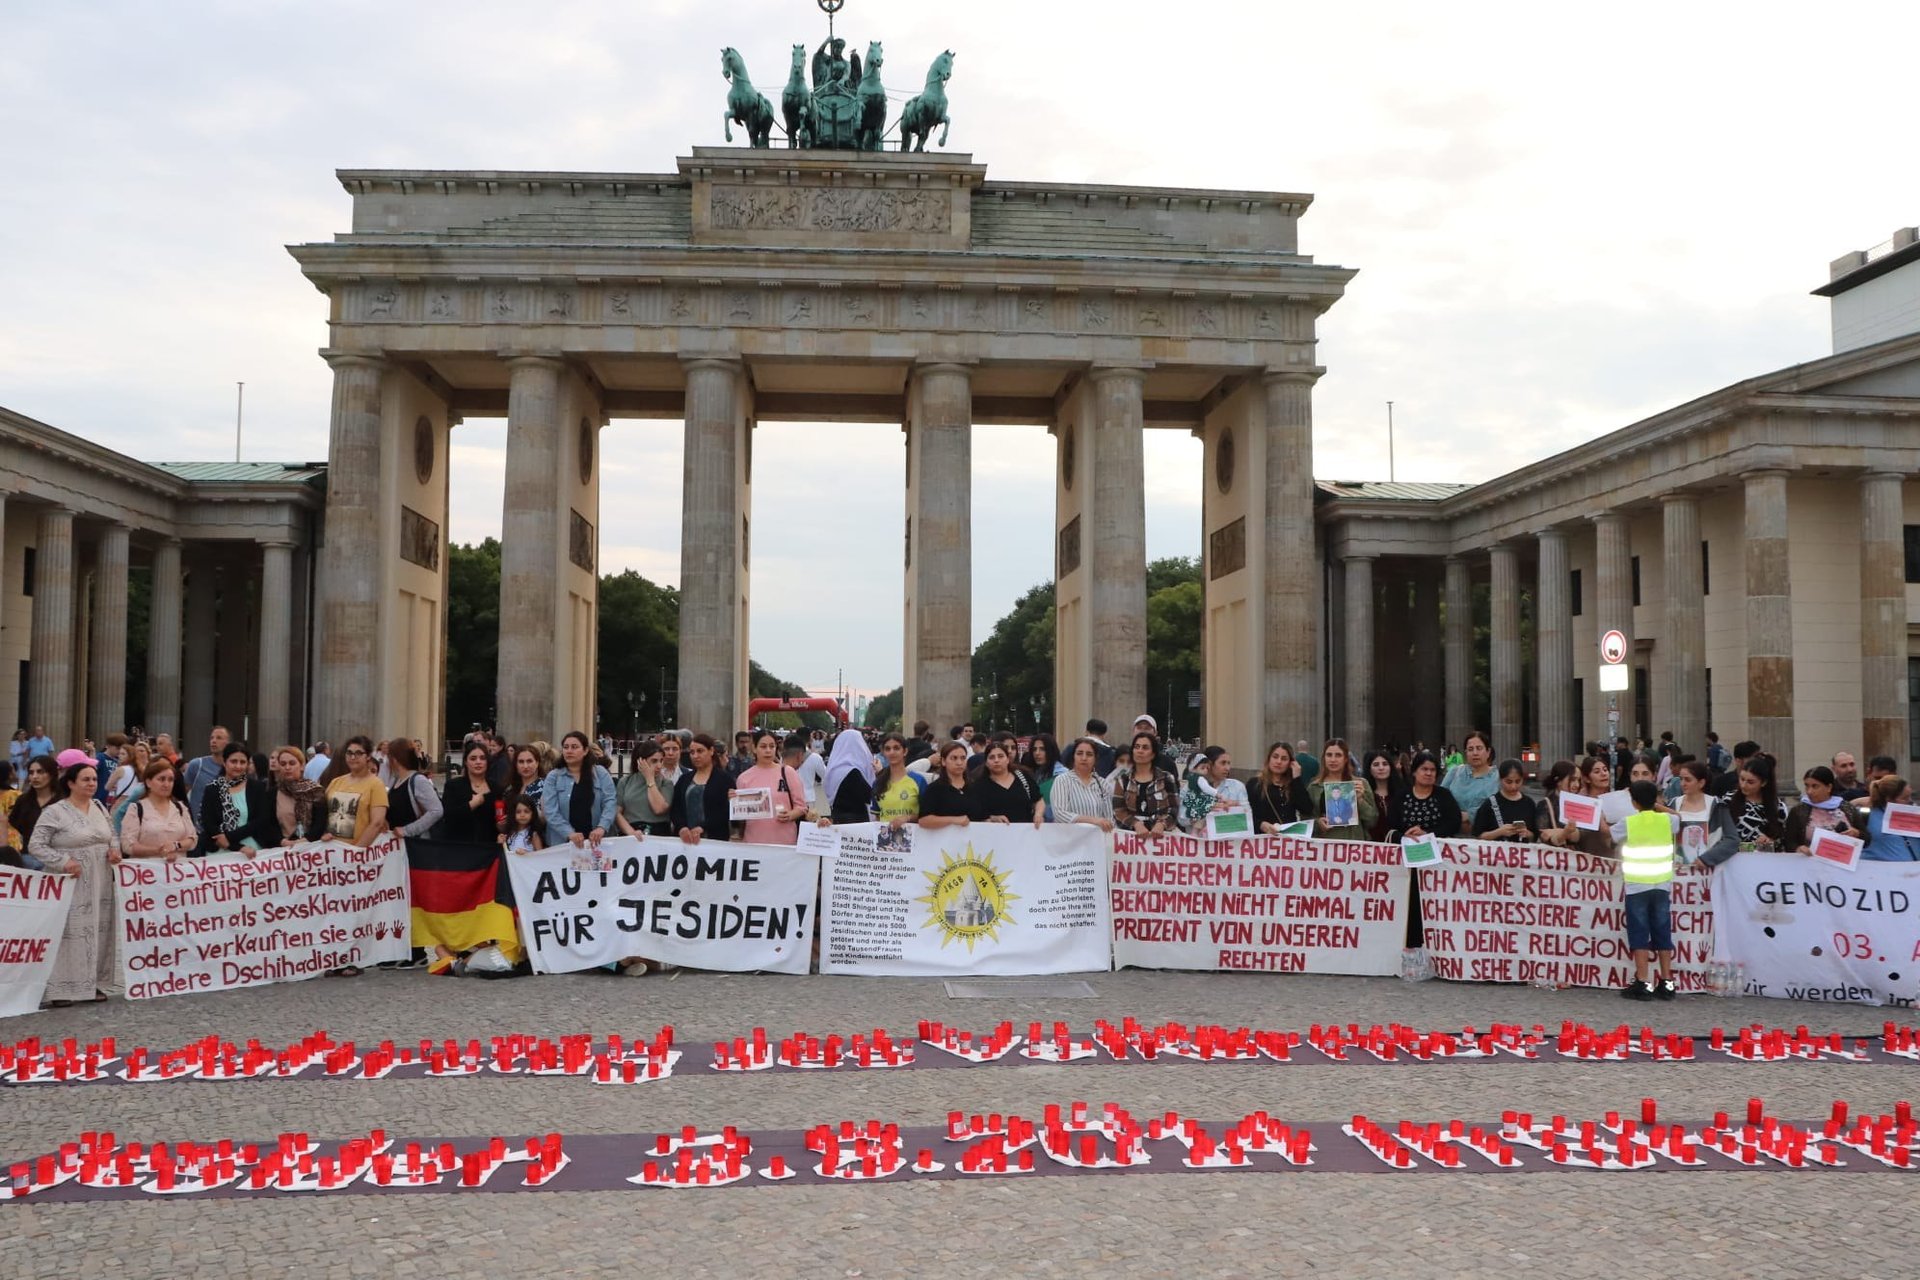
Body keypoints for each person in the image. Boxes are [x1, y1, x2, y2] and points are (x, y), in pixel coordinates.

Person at [28, 761, 120, 1004]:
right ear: (70, 783)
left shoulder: (99, 806)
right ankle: (60, 987)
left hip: (99, 879)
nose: (91, 784)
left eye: (94, 779)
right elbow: (36, 845)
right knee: (69, 932)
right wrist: (62, 861)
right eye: (85, 779)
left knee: (97, 931)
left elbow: (113, 835)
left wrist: (114, 850)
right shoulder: (55, 811)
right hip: (70, 880)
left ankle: (91, 984)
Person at [1610, 779, 1681, 1001]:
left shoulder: (1628, 822)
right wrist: (1658, 806)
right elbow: (1679, 819)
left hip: (1637, 886)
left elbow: (1610, 834)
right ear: (1656, 799)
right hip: (1661, 884)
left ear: (1633, 802)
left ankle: (1643, 981)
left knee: (1639, 932)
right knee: (1662, 931)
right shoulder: (1667, 820)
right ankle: (1667, 981)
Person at [196, 741, 280, 855]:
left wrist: (230, 838)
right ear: (224, 762)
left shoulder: (257, 787)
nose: (238, 766)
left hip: (252, 849)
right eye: (233, 761)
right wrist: (236, 847)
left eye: (242, 762)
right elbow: (209, 824)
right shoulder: (212, 789)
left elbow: (261, 820)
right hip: (219, 850)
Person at [732, 729, 811, 845]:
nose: (768, 751)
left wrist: (790, 815)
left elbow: (801, 806)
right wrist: (734, 802)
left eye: (771, 746)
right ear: (754, 748)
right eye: (763, 747)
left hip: (785, 842)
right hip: (754, 841)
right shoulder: (743, 778)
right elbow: (740, 816)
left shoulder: (788, 772)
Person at [543, 730, 617, 850]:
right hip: (563, 843)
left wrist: (601, 827)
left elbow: (610, 802)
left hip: (597, 843)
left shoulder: (600, 773)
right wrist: (569, 833)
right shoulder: (554, 776)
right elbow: (550, 810)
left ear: (586, 750)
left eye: (574, 747)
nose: (569, 751)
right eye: (566, 747)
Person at [120, 758, 197, 861]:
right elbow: (128, 845)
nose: (166, 784)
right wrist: (158, 850)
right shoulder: (136, 809)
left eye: (170, 780)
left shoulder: (180, 808)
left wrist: (176, 845)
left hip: (177, 871)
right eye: (161, 779)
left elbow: (192, 838)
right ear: (148, 782)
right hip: (147, 872)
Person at [324, 736, 389, 851]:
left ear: (368, 756)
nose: (353, 757)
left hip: (357, 855)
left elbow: (377, 823)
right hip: (331, 852)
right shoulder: (336, 782)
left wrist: (355, 851)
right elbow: (323, 813)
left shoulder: (376, 785)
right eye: (349, 753)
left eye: (358, 753)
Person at [1782, 765, 1865, 854]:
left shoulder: (1847, 808)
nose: (1809, 791)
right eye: (1807, 786)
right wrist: (1798, 848)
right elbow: (1789, 842)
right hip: (1809, 863)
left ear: (1829, 787)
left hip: (1841, 861)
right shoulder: (1798, 811)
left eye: (1815, 786)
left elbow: (1867, 838)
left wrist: (1857, 833)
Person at [1671, 759, 1740, 867]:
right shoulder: (1672, 804)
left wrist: (1707, 859)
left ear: (1701, 783)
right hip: (1678, 873)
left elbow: (1732, 839)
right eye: (1681, 779)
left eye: (1688, 780)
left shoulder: (1717, 805)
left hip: (1710, 871)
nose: (1682, 784)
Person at [671, 733, 735, 843]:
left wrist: (703, 827)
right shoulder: (684, 779)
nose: (695, 756)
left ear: (711, 751)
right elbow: (675, 807)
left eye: (700, 751)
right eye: (692, 752)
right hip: (685, 841)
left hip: (714, 840)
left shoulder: (724, 780)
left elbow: (725, 811)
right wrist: (682, 827)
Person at [1112, 732, 1179, 836]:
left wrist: (1162, 824)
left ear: (1153, 753)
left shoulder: (1167, 778)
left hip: (1162, 838)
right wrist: (1135, 823)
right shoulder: (1122, 780)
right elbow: (1118, 810)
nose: (1140, 751)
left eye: (1145, 748)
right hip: (1130, 838)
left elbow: (1174, 808)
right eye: (1137, 747)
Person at [1308, 739, 1376, 839]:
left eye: (1338, 755)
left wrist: (1360, 801)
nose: (1333, 760)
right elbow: (1305, 819)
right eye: (1329, 755)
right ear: (1324, 758)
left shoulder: (1360, 784)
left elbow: (1372, 821)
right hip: (1325, 845)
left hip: (1353, 846)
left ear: (1345, 759)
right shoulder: (1314, 787)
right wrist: (1318, 823)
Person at [380, 739, 444, 844]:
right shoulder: (396, 780)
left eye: (389, 756)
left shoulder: (418, 780)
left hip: (415, 845)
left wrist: (407, 830)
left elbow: (436, 811)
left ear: (395, 759)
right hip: (398, 846)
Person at [1391, 750, 1464, 843]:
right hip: (1406, 848)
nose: (1429, 773)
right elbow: (1391, 827)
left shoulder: (1444, 795)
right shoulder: (1401, 796)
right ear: (1414, 772)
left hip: (1439, 849)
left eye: (1432, 770)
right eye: (1424, 769)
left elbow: (1454, 824)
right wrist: (1404, 837)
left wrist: (1427, 834)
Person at [441, 741, 502, 843]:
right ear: (466, 762)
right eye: (473, 758)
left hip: (488, 848)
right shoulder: (453, 786)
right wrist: (471, 805)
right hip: (460, 847)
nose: (478, 762)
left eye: (482, 758)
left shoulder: (496, 787)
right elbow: (448, 817)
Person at [1248, 742, 1315, 834]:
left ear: (1290, 763)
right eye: (1275, 757)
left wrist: (1296, 778)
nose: (1279, 762)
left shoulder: (1293, 784)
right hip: (1263, 839)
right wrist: (1260, 824)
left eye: (1284, 759)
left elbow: (1307, 809)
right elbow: (1246, 814)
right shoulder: (1255, 783)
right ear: (1269, 759)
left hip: (1287, 841)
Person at [1050, 738, 1116, 831]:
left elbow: (1109, 818)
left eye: (1089, 754)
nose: (1084, 758)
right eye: (1079, 753)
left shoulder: (1103, 784)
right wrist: (1092, 820)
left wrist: (1106, 824)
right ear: (1073, 756)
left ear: (1095, 759)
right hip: (1069, 840)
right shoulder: (1062, 780)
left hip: (1096, 840)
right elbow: (1060, 813)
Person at [971, 742, 1043, 827]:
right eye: (992, 757)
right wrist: (992, 819)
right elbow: (976, 816)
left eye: (1001, 756)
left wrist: (1038, 814)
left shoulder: (1023, 777)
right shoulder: (979, 786)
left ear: (1008, 759)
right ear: (986, 763)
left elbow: (1038, 800)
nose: (996, 760)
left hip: (1025, 834)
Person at [4, 755, 60, 865]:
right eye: (31, 772)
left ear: (51, 774)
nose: (35, 776)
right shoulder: (23, 800)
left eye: (40, 772)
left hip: (57, 858)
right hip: (28, 858)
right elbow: (15, 824)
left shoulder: (63, 800)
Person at [1440, 731, 1498, 835]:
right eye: (1470, 749)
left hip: (1487, 838)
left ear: (1488, 751)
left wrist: (1470, 815)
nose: (1475, 753)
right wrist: (1456, 815)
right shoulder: (1454, 772)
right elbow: (1440, 799)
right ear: (1465, 752)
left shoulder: (1498, 777)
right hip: (1453, 836)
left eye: (1479, 748)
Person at [614, 738, 674, 838]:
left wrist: (650, 780)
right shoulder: (625, 782)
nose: (659, 766)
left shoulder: (666, 783)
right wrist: (631, 832)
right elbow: (617, 813)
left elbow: (658, 809)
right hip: (631, 832)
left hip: (658, 833)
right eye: (654, 761)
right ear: (641, 761)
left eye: (661, 761)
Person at [1470, 759, 1541, 841]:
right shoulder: (1489, 804)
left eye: (1518, 781)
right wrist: (1499, 832)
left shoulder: (1529, 804)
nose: (1513, 787)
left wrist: (1527, 834)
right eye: (1509, 782)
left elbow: (1535, 836)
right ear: (1500, 779)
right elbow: (1478, 835)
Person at [1725, 755, 1786, 851]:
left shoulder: (1778, 807)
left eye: (1750, 782)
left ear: (1764, 782)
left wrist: (1767, 842)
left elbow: (1782, 843)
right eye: (1742, 779)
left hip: (1764, 862)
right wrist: (1750, 847)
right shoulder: (1728, 800)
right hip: (1732, 859)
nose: (1743, 785)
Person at [1179, 746, 1246, 832]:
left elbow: (1246, 818)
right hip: (1199, 842)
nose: (1227, 768)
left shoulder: (1237, 787)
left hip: (1229, 842)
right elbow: (1181, 819)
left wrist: (1235, 807)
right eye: (1223, 763)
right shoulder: (1189, 788)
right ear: (1209, 765)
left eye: (1229, 763)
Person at [268, 745, 325, 844]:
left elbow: (320, 823)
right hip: (282, 850)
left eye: (292, 763)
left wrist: (305, 840)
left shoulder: (316, 791)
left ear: (302, 766)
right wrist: (283, 841)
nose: (287, 767)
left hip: (311, 849)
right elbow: (269, 824)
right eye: (283, 764)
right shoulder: (272, 793)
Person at [866, 732, 923, 828]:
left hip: (913, 838)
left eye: (896, 748)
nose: (892, 752)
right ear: (883, 753)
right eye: (888, 749)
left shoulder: (918, 780)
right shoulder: (878, 783)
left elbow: (926, 815)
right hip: (886, 840)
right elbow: (877, 817)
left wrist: (907, 817)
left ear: (905, 751)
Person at [825, 730, 880, 824]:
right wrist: (879, 773)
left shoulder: (833, 769)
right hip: (856, 823)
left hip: (837, 817)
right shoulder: (852, 772)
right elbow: (870, 796)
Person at [918, 742, 976, 830]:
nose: (959, 762)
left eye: (963, 758)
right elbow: (924, 820)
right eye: (954, 758)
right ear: (944, 761)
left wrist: (991, 819)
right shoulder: (935, 789)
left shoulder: (974, 787)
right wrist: (953, 820)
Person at [181, 725, 232, 822]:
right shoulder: (197, 765)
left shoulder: (232, 769)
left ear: (227, 743)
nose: (213, 741)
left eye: (219, 738)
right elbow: (182, 793)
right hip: (197, 827)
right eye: (212, 738)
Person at [1862, 776, 1920, 861]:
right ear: (1889, 799)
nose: (1910, 801)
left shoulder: (1915, 815)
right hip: (1881, 872)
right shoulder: (1866, 816)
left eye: (1910, 796)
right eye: (1905, 798)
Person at [1359, 749, 1404, 842]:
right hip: (1371, 848)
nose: (1381, 768)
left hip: (1398, 846)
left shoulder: (1402, 793)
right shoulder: (1363, 794)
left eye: (1385, 764)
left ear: (1391, 767)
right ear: (1369, 769)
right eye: (1376, 765)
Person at [1024, 734, 1066, 819]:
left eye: (1042, 749)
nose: (1037, 753)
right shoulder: (1034, 774)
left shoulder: (1062, 776)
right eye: (1034, 749)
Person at [790, 730, 829, 813]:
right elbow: (826, 776)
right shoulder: (815, 757)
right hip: (808, 798)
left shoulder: (786, 756)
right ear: (810, 740)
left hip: (790, 798)